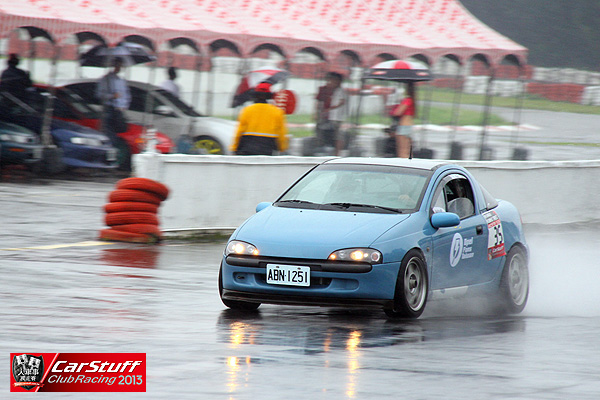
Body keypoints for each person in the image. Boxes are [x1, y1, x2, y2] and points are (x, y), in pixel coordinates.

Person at [231, 82, 288, 155]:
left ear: (255, 95)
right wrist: (282, 148)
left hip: (247, 148)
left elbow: (239, 131)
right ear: (269, 96)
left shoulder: (247, 110)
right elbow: (281, 133)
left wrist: (234, 148)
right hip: (267, 149)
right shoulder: (277, 112)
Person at [96, 57, 132, 171]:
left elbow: (126, 95)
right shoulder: (106, 79)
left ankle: (113, 159)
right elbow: (99, 95)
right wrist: (111, 96)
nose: (118, 68)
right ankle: (106, 161)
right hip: (108, 109)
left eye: (120, 65)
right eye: (117, 65)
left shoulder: (121, 81)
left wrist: (124, 106)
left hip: (118, 111)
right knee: (108, 136)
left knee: (117, 137)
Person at [315, 72, 346, 155]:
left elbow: (341, 102)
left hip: (336, 117)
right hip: (329, 116)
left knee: (337, 135)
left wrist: (329, 109)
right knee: (325, 133)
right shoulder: (325, 89)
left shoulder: (340, 91)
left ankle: (337, 152)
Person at [391, 82, 416, 158]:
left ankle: (403, 162)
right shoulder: (413, 100)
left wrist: (396, 107)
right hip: (409, 124)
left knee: (402, 149)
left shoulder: (407, 100)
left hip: (403, 124)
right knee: (408, 148)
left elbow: (397, 112)